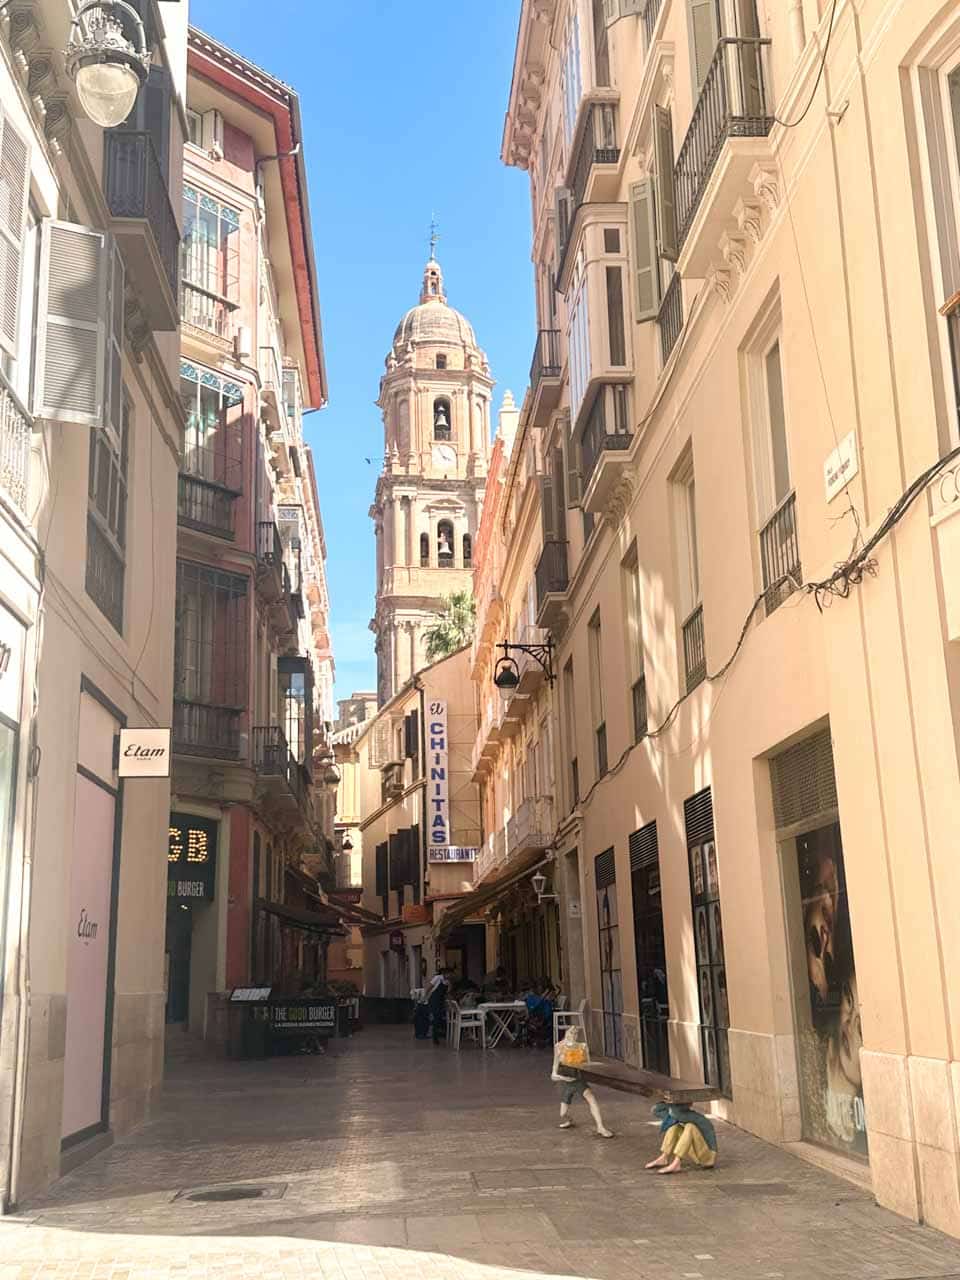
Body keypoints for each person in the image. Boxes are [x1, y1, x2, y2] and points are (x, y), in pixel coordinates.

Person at [551, 1027, 613, 1138]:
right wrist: (563, 1078)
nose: (573, 1036)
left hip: (579, 1081)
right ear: (566, 1033)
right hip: (566, 1083)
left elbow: (587, 1064)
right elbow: (553, 1075)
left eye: (576, 1034)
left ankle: (600, 1127)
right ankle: (570, 1120)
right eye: (571, 1033)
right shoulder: (559, 1047)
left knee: (592, 1099)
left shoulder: (582, 1047)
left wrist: (599, 1066)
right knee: (563, 1114)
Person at [645, 1102, 717, 1174]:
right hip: (697, 1155)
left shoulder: (696, 1118)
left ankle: (677, 1163)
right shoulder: (682, 1116)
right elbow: (656, 1110)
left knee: (690, 1127)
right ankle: (664, 1157)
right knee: (675, 1126)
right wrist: (670, 1102)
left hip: (708, 1158)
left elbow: (674, 1114)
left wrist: (671, 1105)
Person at [426, 969, 450, 1045]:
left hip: (440, 1001)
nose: (449, 975)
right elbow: (429, 987)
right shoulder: (437, 978)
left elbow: (447, 992)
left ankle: (438, 1035)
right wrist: (425, 997)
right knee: (436, 1018)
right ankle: (435, 1037)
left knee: (439, 1018)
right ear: (444, 973)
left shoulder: (447, 982)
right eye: (448, 974)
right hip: (434, 1000)